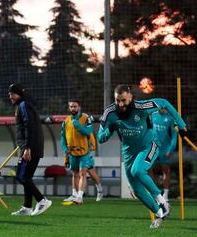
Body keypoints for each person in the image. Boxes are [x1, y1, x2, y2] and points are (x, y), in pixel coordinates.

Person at [97, 85, 187, 228]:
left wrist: (181, 124)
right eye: (117, 100)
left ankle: (163, 201)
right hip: (128, 154)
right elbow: (100, 138)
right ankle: (159, 214)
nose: (120, 104)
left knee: (137, 170)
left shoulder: (143, 106)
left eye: (123, 100)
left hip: (149, 146)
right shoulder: (110, 112)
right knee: (137, 191)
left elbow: (164, 102)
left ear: (130, 97)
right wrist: (110, 129)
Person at [8, 83, 52, 216]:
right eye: (9, 94)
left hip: (30, 148)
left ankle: (42, 200)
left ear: (19, 94)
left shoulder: (24, 105)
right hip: (30, 146)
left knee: (22, 176)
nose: (10, 96)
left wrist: (27, 148)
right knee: (26, 176)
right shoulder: (23, 105)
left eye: (12, 94)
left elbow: (29, 126)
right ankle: (27, 207)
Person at [61, 100, 103, 205]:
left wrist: (78, 126)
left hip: (85, 151)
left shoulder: (85, 118)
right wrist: (65, 150)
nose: (73, 108)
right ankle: (75, 194)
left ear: (79, 107)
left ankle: (91, 193)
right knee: (76, 173)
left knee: (84, 172)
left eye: (75, 106)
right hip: (73, 153)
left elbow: (89, 132)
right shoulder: (66, 121)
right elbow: (63, 138)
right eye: (71, 106)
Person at [150, 109, 178, 201]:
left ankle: (166, 194)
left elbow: (174, 136)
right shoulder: (152, 115)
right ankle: (155, 192)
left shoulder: (170, 118)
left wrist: (171, 149)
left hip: (165, 149)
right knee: (148, 169)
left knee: (166, 170)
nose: (160, 108)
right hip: (153, 148)